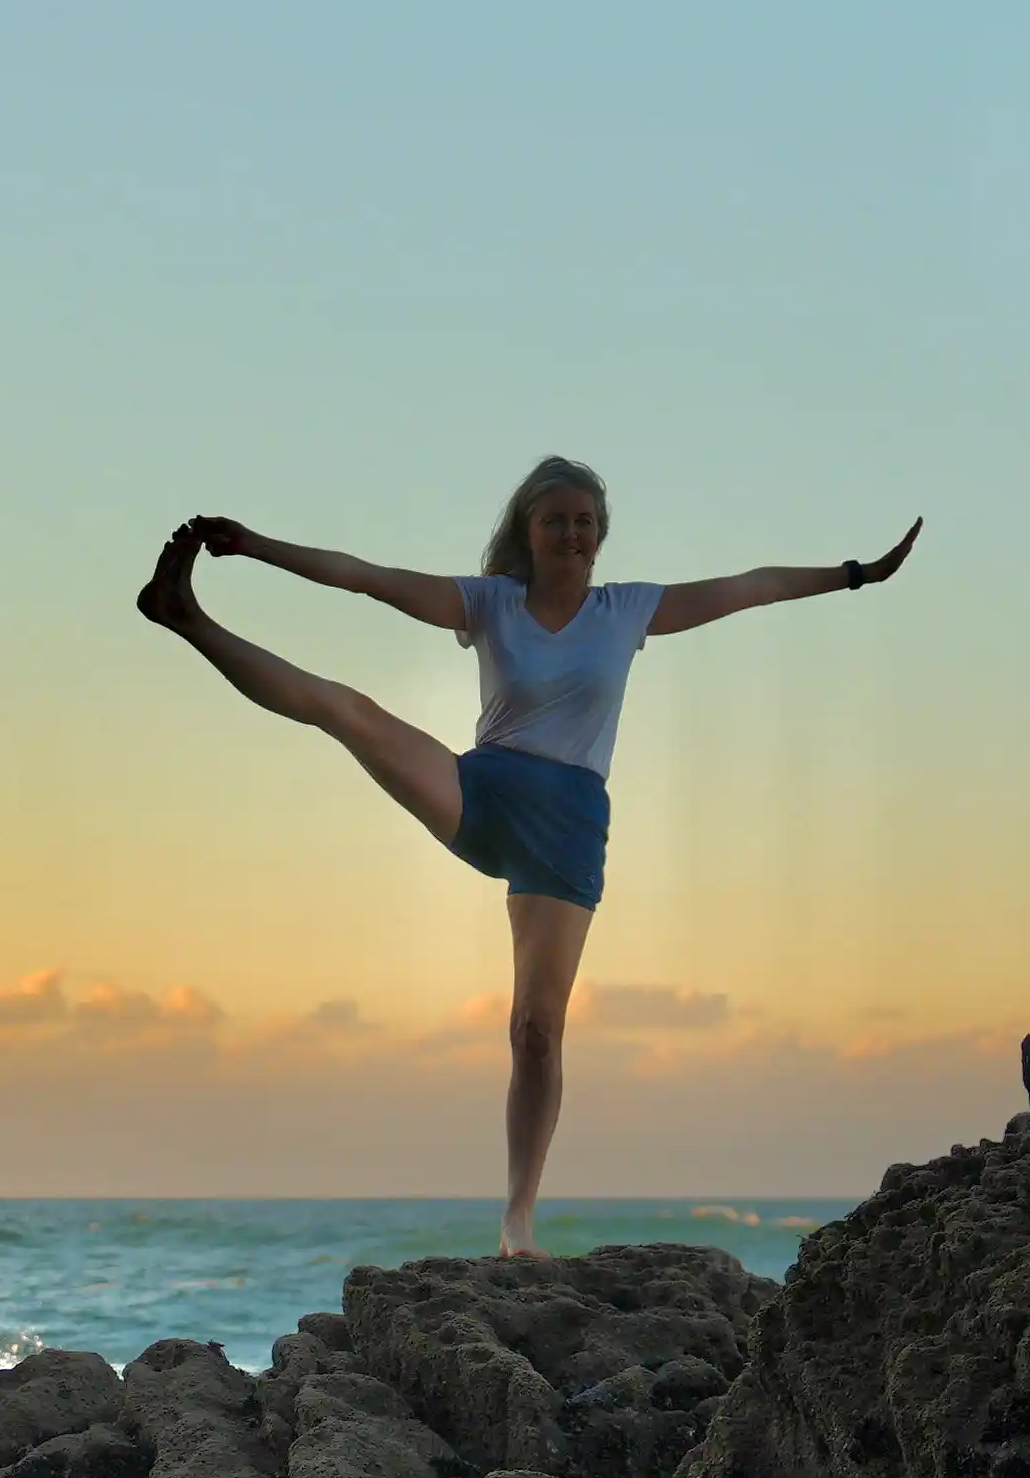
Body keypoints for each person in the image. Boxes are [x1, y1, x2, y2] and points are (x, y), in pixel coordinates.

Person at [139, 458, 918, 1253]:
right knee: (350, 712)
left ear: (600, 535)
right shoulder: (487, 604)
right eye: (554, 521)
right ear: (528, 533)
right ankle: (185, 616)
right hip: (483, 793)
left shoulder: (627, 611)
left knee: (536, 1031)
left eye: (584, 521)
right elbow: (365, 578)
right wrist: (258, 546)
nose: (571, 533)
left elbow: (755, 585)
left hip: (569, 828)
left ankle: (518, 1222)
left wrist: (858, 574)